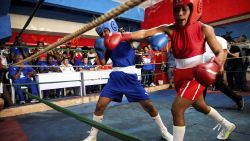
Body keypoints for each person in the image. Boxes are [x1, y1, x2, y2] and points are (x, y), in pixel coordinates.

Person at [104, 0, 236, 140]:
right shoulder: (170, 28)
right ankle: (226, 124)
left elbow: (220, 51)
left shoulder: (205, 29)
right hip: (179, 74)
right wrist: (123, 36)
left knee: (177, 109)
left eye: (184, 10)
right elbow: (144, 33)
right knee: (200, 105)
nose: (180, 14)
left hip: (195, 75)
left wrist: (215, 64)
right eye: (176, 10)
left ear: (193, 10)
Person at [83, 19, 173, 141]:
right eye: (101, 34)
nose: (103, 35)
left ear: (111, 27)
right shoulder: (108, 45)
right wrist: (99, 51)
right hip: (115, 78)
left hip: (130, 77)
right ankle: (92, 136)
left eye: (104, 31)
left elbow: (144, 37)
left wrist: (154, 39)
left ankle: (164, 131)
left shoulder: (127, 38)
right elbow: (103, 63)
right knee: (100, 105)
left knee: (148, 106)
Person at [203, 36, 244, 110]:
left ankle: (238, 98)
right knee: (202, 83)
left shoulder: (219, 39)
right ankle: (201, 103)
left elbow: (224, 52)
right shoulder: (202, 40)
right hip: (204, 66)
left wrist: (221, 66)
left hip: (215, 65)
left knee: (219, 84)